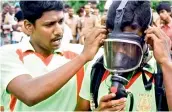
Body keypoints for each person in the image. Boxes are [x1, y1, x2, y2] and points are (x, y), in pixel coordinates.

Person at [0, 1, 106, 111]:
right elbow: (30, 94)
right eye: (49, 24)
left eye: (61, 22)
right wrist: (83, 57)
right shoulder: (8, 55)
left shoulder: (78, 52)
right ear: (28, 26)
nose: (59, 31)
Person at [75, 1, 170, 111]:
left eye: (126, 45)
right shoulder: (96, 68)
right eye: (114, 44)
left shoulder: (163, 70)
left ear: (147, 36)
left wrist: (166, 62)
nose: (119, 52)